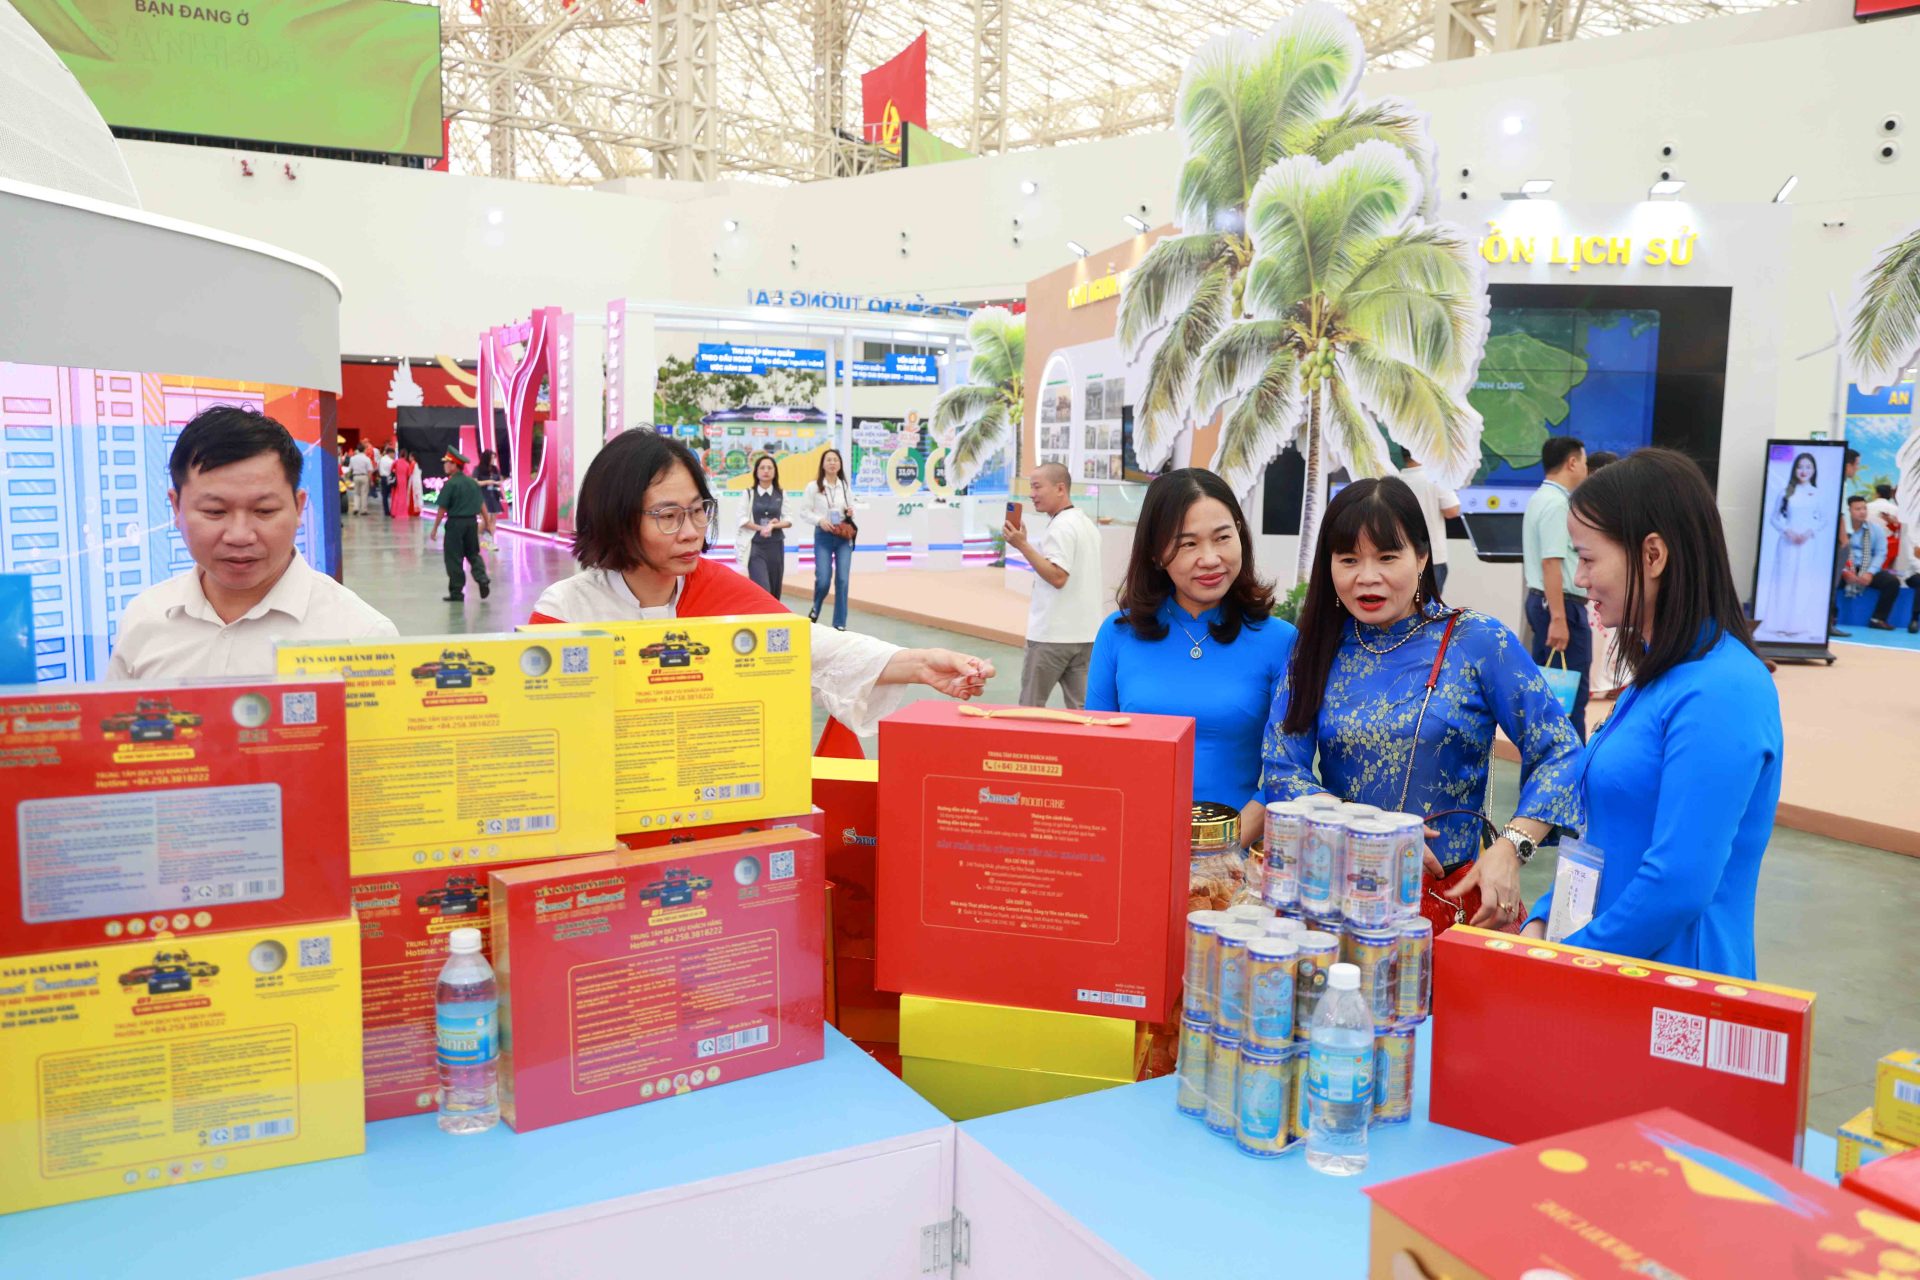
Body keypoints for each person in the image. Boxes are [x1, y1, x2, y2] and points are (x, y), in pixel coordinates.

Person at [1264, 478, 1582, 931]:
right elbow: (1282, 769)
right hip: (1339, 902)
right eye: (1349, 559)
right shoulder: (1315, 649)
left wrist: (1512, 846)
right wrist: (1369, 829)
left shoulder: (1477, 641)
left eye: (1387, 557)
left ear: (1422, 557)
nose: (1367, 576)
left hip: (1453, 905)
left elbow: (1560, 750)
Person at [529, 429, 994, 736]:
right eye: (668, 516)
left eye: (697, 511)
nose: (691, 532)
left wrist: (919, 663)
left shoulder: (717, 590)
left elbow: (814, 647)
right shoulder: (566, 613)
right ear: (615, 519)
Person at [1523, 449, 1781, 980]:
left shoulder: (1721, 690)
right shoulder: (1657, 675)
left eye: (1588, 558)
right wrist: (1546, 920)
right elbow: (1602, 838)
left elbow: (1676, 886)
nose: (1579, 577)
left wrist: (1564, 961)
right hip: (1611, 970)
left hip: (1674, 987)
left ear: (1653, 556)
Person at [108, 405, 395, 679]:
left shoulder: (361, 636)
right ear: (176, 508)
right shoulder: (144, 618)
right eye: (214, 511)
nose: (240, 536)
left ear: (298, 507)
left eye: (264, 511)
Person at [1087, 469, 1295, 842]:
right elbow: (1097, 757)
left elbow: (1288, 773)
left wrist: (1217, 850)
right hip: (1134, 843)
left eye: (1222, 537)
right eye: (1188, 544)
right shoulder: (1116, 635)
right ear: (1156, 553)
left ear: (1240, 535)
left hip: (1234, 856)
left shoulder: (1280, 641)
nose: (1210, 558)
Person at [1004, 462, 1102, 709]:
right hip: (1085, 635)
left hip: (1052, 636)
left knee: (1030, 708)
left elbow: (1058, 576)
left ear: (1060, 488)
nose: (1031, 494)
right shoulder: (1086, 524)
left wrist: (1022, 545)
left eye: (1037, 487)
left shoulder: (1061, 527)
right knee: (1083, 711)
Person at [1522, 435, 1592, 739]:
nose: (1586, 469)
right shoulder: (1556, 504)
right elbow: (1551, 563)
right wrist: (1560, 618)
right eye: (1585, 462)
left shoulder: (1541, 498)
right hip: (1560, 607)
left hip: (1547, 604)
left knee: (1550, 694)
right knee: (1570, 698)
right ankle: (1570, 762)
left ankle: (1548, 758)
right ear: (1572, 462)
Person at [1756, 450, 1828, 641]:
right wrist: (1787, 531)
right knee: (1784, 582)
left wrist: (1809, 532)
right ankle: (1779, 624)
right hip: (1787, 544)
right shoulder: (1785, 492)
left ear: (1814, 470)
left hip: (1807, 545)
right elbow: (1774, 518)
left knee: (1802, 582)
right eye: (1800, 467)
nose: (1804, 471)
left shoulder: (1817, 493)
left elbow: (1824, 519)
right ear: (1794, 469)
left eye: (1808, 467)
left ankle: (1798, 625)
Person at [799, 448, 856, 630]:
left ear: (840, 464)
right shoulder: (813, 487)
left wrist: (850, 512)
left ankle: (840, 623)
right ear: (823, 464)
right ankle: (816, 607)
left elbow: (850, 508)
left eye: (835, 460)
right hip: (823, 535)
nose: (832, 463)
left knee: (843, 580)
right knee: (823, 579)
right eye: (829, 460)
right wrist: (820, 521)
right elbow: (804, 512)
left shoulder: (844, 486)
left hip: (842, 536)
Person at [430, 450, 492, 603]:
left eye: (447, 462)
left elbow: (442, 508)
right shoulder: (472, 483)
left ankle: (457, 592)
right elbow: (482, 505)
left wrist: (435, 528)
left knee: (454, 557)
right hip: (471, 523)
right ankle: (482, 579)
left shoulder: (451, 484)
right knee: (473, 553)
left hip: (455, 524)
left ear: (454, 465)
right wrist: (488, 523)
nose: (445, 465)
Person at [1396, 451, 1461, 596]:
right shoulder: (1435, 478)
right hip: (1432, 557)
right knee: (1429, 605)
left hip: (1400, 558)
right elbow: (1452, 511)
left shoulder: (1394, 481)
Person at [1584, 452, 1621, 698]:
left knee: (1614, 635)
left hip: (1612, 581)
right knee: (1596, 636)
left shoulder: (1619, 505)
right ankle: (1594, 685)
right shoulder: (1582, 506)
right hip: (1591, 582)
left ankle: (1612, 683)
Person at [1841, 494, 1903, 631]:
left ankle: (1878, 619)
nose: (1862, 512)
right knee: (1828, 581)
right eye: (1858, 509)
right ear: (1848, 510)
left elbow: (1881, 553)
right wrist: (1844, 571)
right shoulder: (1841, 529)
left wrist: (1870, 572)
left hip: (1867, 568)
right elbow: (1835, 553)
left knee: (1892, 582)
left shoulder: (1876, 529)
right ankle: (1830, 618)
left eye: (1864, 508)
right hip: (1844, 568)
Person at [739, 452, 791, 599]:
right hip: (756, 546)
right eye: (762, 468)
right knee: (763, 590)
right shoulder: (749, 494)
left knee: (774, 593)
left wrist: (774, 525)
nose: (766, 471)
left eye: (769, 468)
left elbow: (789, 519)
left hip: (776, 547)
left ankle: (773, 615)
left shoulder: (781, 493)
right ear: (756, 471)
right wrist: (760, 528)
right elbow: (741, 519)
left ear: (775, 472)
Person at [1831, 447, 1863, 638]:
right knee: (1833, 583)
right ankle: (1828, 624)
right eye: (1856, 464)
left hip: (1839, 540)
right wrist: (1844, 540)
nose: (1857, 469)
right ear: (1847, 465)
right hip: (1839, 541)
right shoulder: (1839, 484)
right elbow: (1840, 513)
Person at [475, 449, 506, 550]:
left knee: (493, 520)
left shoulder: (495, 469)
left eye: (494, 458)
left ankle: (491, 542)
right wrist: (489, 482)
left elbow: (499, 481)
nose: (493, 460)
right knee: (485, 520)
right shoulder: (478, 469)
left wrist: (503, 493)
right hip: (483, 495)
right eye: (491, 458)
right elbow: (475, 482)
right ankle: (474, 537)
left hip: (494, 495)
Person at [390, 449, 417, 522]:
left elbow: (391, 470)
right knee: (402, 497)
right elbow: (409, 474)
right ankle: (401, 512)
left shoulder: (396, 462)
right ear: (406, 455)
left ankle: (394, 512)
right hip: (403, 482)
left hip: (396, 481)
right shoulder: (407, 464)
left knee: (395, 496)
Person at [347, 445, 373, 516]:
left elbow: (350, 469)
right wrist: (370, 480)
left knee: (356, 493)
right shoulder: (367, 459)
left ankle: (356, 508)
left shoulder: (353, 458)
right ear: (364, 450)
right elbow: (370, 470)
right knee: (364, 494)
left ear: (357, 450)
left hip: (356, 476)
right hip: (364, 476)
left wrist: (349, 478)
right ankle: (363, 510)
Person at [377, 445, 395, 516]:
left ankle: (386, 511)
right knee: (392, 494)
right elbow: (393, 470)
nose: (394, 456)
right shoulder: (391, 461)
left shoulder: (381, 459)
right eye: (393, 454)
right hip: (389, 478)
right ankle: (392, 509)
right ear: (390, 453)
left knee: (384, 496)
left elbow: (378, 468)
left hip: (382, 478)